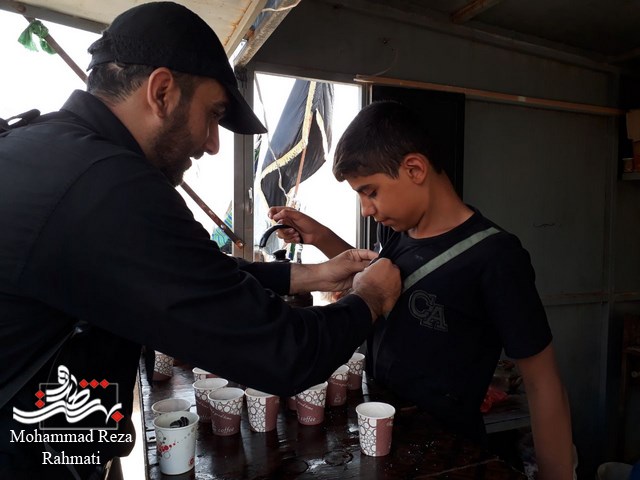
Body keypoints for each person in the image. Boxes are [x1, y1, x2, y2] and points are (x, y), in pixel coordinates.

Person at [0, 3, 401, 478]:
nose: (212, 143)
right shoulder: (109, 186)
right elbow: (281, 352)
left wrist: (314, 274)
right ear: (162, 92)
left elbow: (195, 270)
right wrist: (368, 298)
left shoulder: (46, 149)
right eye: (212, 115)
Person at [269, 100, 574, 480]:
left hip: (450, 454)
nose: (366, 209)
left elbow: (543, 382)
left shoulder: (495, 256)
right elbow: (378, 284)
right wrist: (321, 237)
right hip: (385, 440)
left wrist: (557, 474)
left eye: (370, 192)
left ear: (414, 169)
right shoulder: (399, 235)